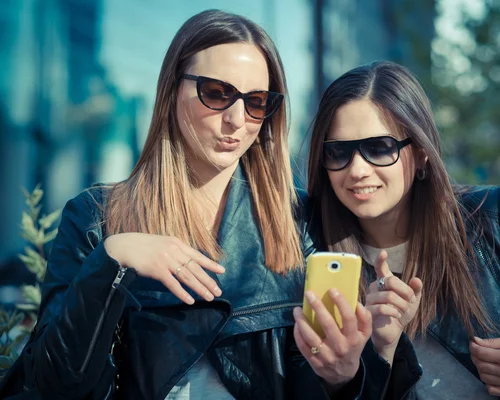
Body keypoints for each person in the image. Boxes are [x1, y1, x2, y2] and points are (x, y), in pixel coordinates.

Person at [0, 10, 373, 400]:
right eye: (216, 93)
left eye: (256, 102)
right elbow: (55, 383)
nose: (236, 120)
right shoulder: (97, 218)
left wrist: (342, 379)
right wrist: (111, 261)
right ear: (173, 89)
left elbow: (305, 381)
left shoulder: (297, 221)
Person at [306, 60, 500, 399]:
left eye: (378, 148)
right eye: (338, 152)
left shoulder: (496, 218)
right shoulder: (314, 250)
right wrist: (381, 351)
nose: (356, 169)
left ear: (420, 154)